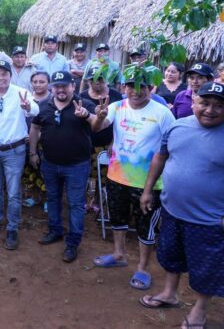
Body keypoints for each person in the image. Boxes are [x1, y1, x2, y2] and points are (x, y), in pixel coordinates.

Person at [138, 81, 224, 329]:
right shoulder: (177, 127)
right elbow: (160, 157)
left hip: (209, 219)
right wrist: (147, 190)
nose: (210, 110)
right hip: (172, 210)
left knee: (205, 268)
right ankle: (169, 293)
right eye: (205, 103)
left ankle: (199, 310)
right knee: (170, 256)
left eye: (219, 106)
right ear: (194, 100)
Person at [90, 75, 175, 291]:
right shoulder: (116, 106)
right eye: (131, 86)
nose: (136, 92)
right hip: (116, 176)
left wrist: (149, 187)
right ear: (123, 87)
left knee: (145, 226)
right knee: (117, 218)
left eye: (142, 87)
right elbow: (97, 128)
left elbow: (170, 148)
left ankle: (143, 268)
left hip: (149, 184)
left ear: (151, 88)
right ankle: (119, 254)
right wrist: (99, 117)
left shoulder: (162, 113)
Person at [29, 71, 97, 262]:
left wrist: (88, 116)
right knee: (53, 198)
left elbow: (98, 125)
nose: (60, 90)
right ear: (52, 88)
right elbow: (35, 127)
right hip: (50, 163)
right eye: (57, 86)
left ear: (72, 87)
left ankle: (73, 242)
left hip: (77, 165)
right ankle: (55, 230)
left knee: (76, 204)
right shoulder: (44, 105)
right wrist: (33, 152)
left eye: (64, 86)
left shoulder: (84, 104)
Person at [0, 60, 39, 250]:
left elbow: (35, 110)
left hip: (14, 150)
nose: (0, 78)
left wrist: (27, 107)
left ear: (10, 76)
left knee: (13, 192)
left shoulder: (22, 92)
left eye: (4, 74)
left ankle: (12, 228)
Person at [80, 66, 123, 150]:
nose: (97, 82)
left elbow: (121, 122)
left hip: (109, 144)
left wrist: (113, 142)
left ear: (105, 80)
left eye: (100, 79)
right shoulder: (82, 97)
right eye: (93, 79)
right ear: (89, 81)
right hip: (87, 144)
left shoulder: (116, 95)